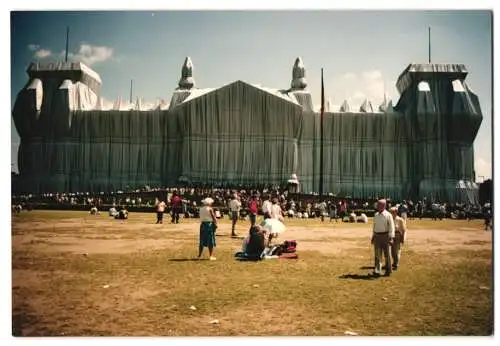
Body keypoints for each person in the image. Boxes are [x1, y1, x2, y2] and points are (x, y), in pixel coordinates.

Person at [371, 199, 395, 277]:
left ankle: (388, 270)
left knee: (387, 254)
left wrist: (391, 238)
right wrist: (373, 236)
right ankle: (377, 270)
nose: (378, 206)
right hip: (377, 236)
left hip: (386, 236)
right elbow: (374, 226)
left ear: (384, 206)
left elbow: (391, 227)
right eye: (377, 205)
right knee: (377, 254)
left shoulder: (388, 215)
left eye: (379, 204)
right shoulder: (376, 215)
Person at [389, 207, 407, 271]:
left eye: (392, 212)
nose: (391, 213)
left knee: (396, 250)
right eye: (390, 212)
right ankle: (394, 262)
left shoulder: (400, 219)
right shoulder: (390, 219)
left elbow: (404, 230)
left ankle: (396, 264)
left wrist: (402, 238)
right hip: (391, 236)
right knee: (392, 251)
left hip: (397, 235)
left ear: (396, 212)